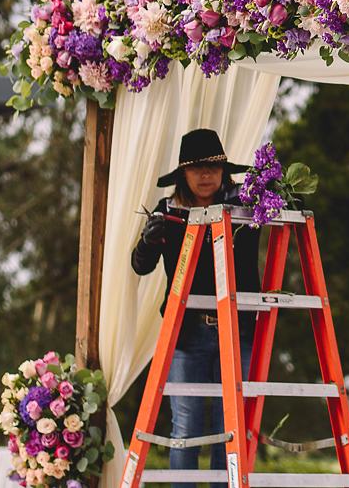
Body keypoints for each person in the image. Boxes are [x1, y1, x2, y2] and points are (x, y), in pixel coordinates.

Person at [131, 127, 262, 470]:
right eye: (196, 168)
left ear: (223, 172)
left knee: (230, 430)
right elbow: (140, 266)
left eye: (213, 168)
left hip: (238, 331)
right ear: (183, 174)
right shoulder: (166, 212)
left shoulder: (249, 209)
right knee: (185, 430)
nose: (205, 175)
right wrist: (147, 242)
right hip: (186, 334)